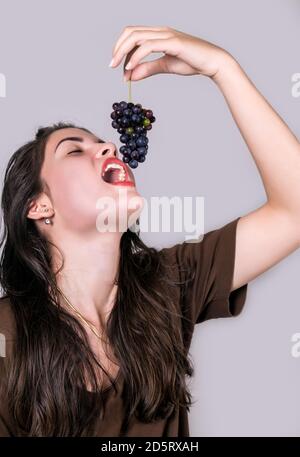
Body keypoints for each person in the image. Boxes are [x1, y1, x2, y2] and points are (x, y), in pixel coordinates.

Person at [0, 25, 299, 437]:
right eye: (74, 149)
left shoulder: (170, 283)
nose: (108, 148)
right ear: (39, 206)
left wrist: (221, 67)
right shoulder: (7, 334)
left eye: (102, 142)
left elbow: (295, 212)